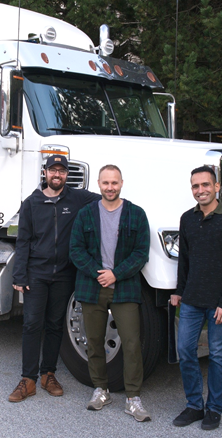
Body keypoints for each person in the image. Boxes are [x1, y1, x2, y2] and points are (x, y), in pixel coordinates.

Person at [8, 155, 101, 402]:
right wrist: (19, 274)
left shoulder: (78, 198)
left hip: (64, 274)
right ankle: (27, 380)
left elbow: (107, 198)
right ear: (45, 173)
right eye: (53, 170)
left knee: (54, 325)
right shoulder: (31, 203)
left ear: (67, 175)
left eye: (61, 171)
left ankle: (48, 374)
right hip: (36, 274)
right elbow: (23, 240)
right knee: (31, 325)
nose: (57, 175)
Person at [69, 165, 151, 421]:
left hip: (124, 288)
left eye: (114, 182)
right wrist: (98, 272)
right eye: (105, 183)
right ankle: (100, 389)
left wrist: (115, 273)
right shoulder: (86, 214)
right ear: (99, 184)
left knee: (131, 343)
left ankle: (133, 398)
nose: (110, 187)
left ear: (122, 183)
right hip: (92, 287)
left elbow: (141, 253)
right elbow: (75, 249)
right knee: (93, 341)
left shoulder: (136, 214)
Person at [170, 166, 222, 431]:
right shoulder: (187, 219)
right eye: (195, 186)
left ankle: (214, 409)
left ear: (217, 187)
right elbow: (185, 259)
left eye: (205, 185)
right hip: (191, 299)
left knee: (217, 355)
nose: (200, 190)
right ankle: (194, 405)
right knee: (185, 351)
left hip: (219, 304)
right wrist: (179, 291)